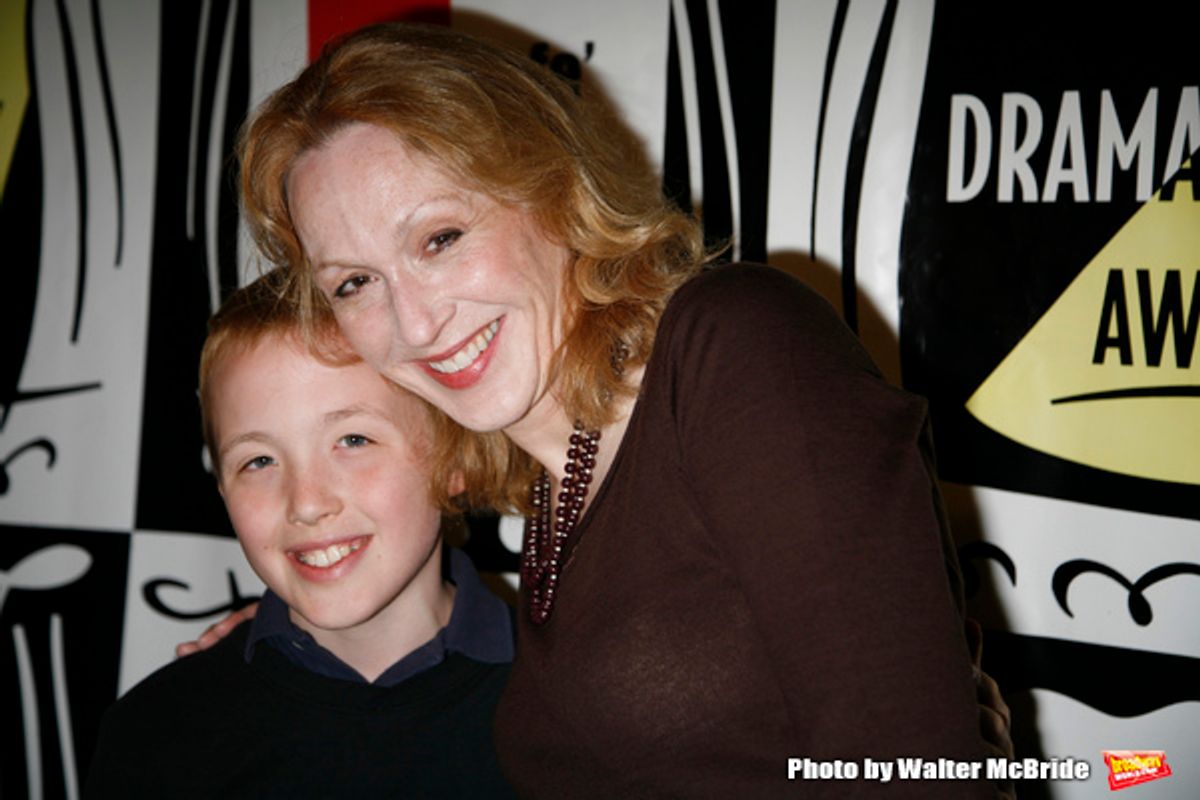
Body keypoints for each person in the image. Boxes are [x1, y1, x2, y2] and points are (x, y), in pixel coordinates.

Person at [213, 22, 1013, 797]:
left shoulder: (734, 346)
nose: (414, 322)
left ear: (554, 190)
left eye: (440, 238)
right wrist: (295, 640)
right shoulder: (554, 485)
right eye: (353, 283)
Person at [85, 270, 515, 798]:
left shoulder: (577, 703)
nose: (307, 503)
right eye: (258, 460)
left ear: (455, 460)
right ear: (221, 488)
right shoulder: (156, 732)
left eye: (353, 440)